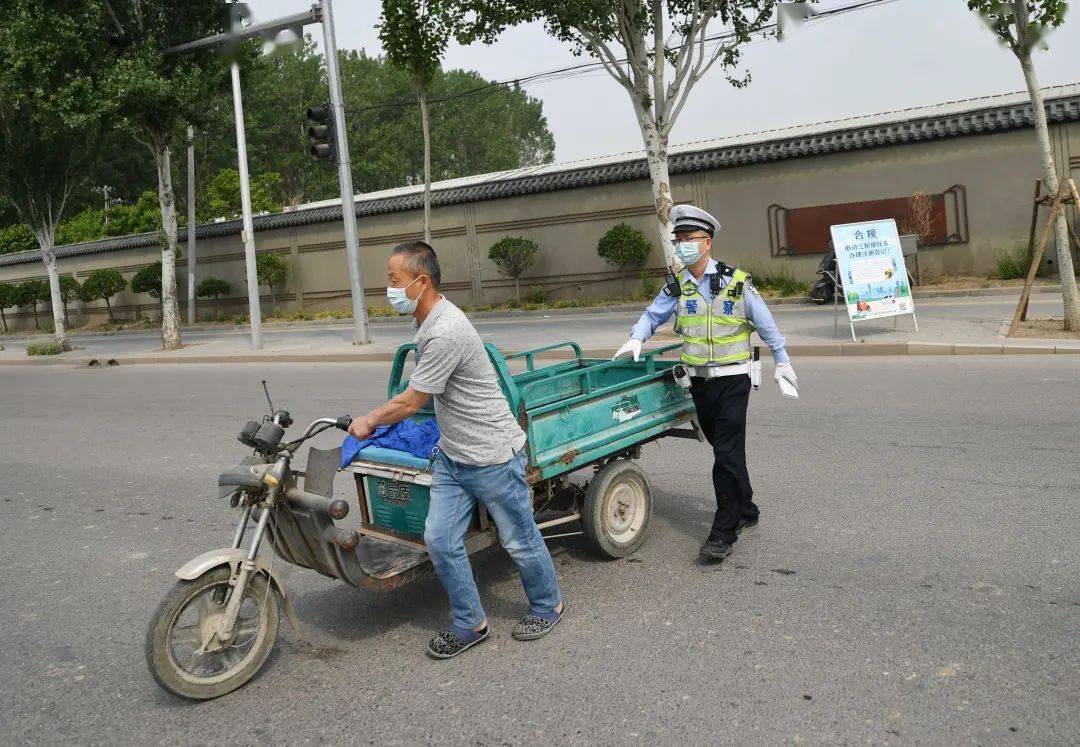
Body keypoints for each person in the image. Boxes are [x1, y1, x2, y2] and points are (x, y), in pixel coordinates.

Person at [349, 240, 563, 658]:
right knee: (440, 539)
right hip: (454, 454)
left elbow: (412, 402)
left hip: (492, 455)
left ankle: (547, 604)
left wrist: (369, 421)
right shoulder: (426, 323)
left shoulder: (446, 329)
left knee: (518, 538)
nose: (388, 289)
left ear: (421, 281)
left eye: (394, 280)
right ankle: (471, 623)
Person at [613, 205, 798, 563]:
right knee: (724, 450)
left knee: (725, 454)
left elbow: (766, 322)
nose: (682, 245)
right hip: (699, 384)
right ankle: (746, 509)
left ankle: (724, 530)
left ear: (707, 242)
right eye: (678, 239)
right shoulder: (678, 286)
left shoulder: (736, 281)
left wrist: (783, 360)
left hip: (733, 380)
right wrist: (637, 338)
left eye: (689, 239)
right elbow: (652, 315)